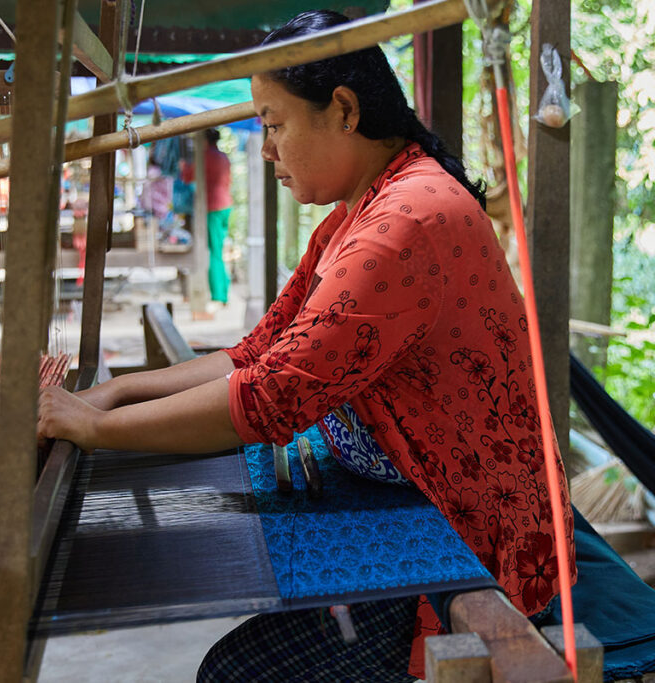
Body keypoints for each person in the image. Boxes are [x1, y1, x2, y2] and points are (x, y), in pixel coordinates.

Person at [38, 9, 575, 681]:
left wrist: (95, 428)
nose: (264, 149)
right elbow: (255, 353)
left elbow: (269, 400)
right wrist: (112, 393)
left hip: (465, 545)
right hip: (407, 503)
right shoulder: (358, 213)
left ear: (343, 109)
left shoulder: (405, 222)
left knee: (237, 673)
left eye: (272, 123)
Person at [205, 128, 233, 304]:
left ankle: (219, 294)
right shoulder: (223, 156)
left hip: (213, 206)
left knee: (214, 252)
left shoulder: (206, 156)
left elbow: (188, 176)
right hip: (226, 204)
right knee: (219, 250)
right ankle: (223, 289)